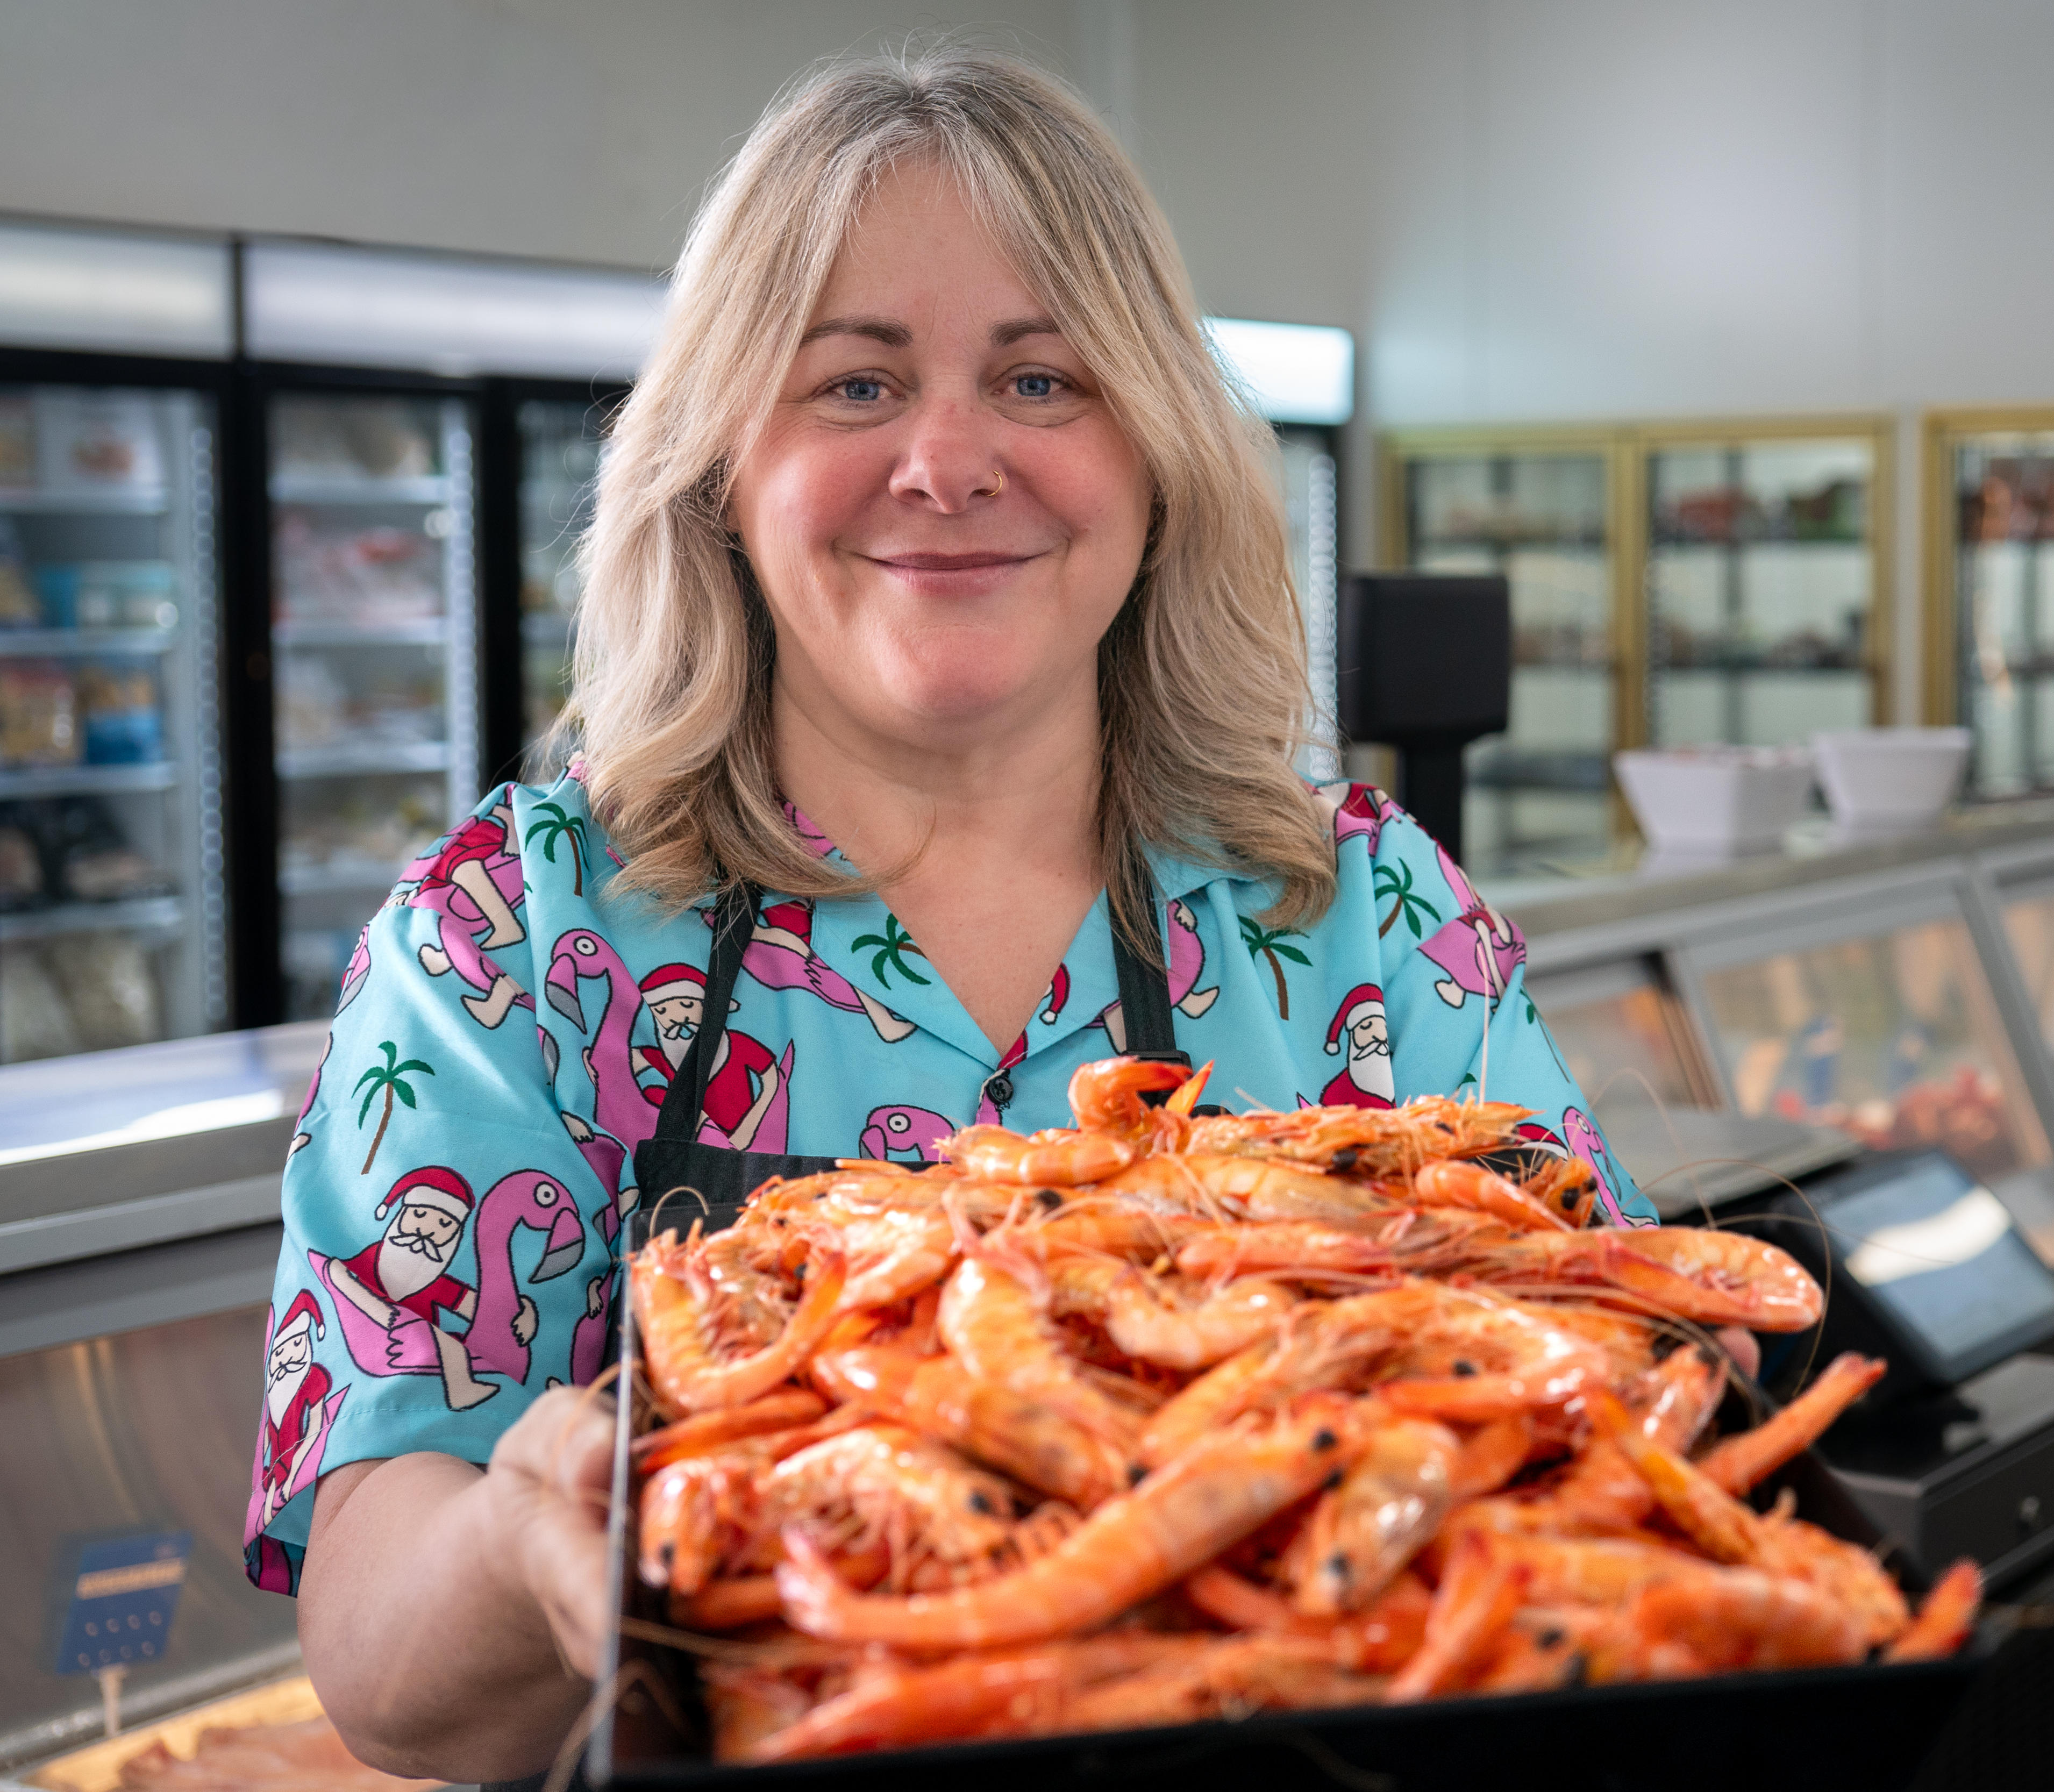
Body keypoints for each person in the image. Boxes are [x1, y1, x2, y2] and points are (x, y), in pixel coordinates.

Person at [243, 48, 1652, 1786]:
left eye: (1043, 378)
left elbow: (1613, 1377)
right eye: (853, 385)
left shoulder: (1366, 913)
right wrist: (527, 1549)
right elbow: (380, 1651)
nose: (949, 459)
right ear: (718, 464)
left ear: (1158, 451)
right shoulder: (517, 939)